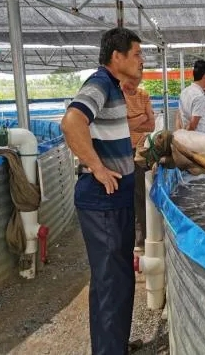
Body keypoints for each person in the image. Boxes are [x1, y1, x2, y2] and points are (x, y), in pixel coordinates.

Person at [60, 27, 144, 354]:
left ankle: (113, 345)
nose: (141, 60)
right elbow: (71, 122)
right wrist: (96, 166)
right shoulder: (99, 84)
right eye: (136, 54)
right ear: (117, 56)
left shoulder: (113, 87)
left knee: (115, 279)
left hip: (114, 198)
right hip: (103, 200)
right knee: (112, 281)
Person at [121, 75, 155, 251]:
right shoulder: (117, 95)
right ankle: (126, 237)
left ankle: (141, 239)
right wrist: (142, 117)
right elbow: (121, 125)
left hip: (139, 152)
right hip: (120, 152)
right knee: (122, 196)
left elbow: (151, 126)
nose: (134, 82)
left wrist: (131, 122)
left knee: (140, 196)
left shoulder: (143, 95)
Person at [177, 59, 205, 132]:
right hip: (199, 136)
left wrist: (180, 133)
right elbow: (193, 125)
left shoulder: (184, 91)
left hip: (186, 134)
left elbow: (178, 115)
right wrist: (186, 135)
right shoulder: (199, 96)